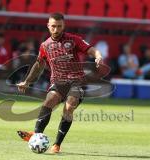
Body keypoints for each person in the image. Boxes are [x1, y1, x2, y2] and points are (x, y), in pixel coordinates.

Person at [16, 13, 103, 153]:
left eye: (59, 26)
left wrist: (98, 56)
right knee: (49, 101)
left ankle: (57, 144)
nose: (56, 30)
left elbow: (91, 49)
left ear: (64, 26)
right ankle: (36, 134)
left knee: (68, 108)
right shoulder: (45, 45)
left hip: (76, 82)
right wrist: (27, 81)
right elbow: (38, 65)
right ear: (48, 26)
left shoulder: (73, 40)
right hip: (58, 82)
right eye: (53, 26)